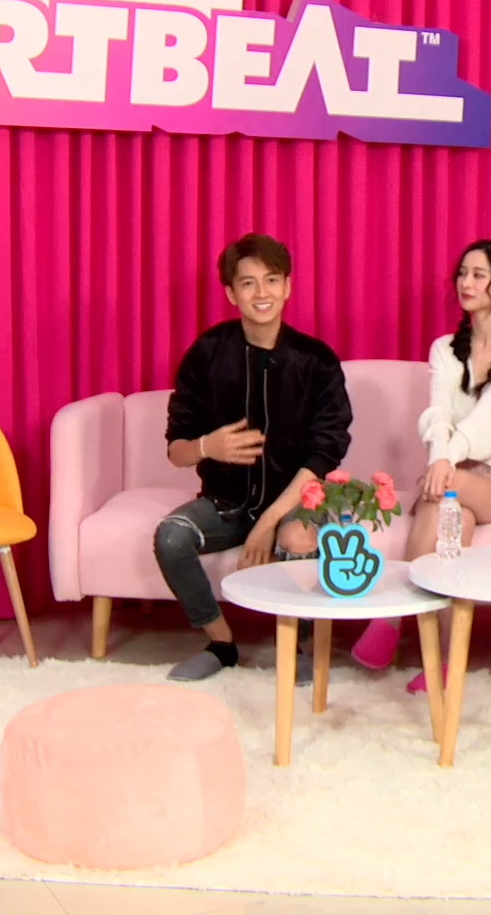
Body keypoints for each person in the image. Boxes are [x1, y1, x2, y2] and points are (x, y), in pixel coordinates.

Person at [347, 240, 491, 688]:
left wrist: (445, 460)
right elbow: (437, 412)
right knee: (448, 517)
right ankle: (444, 661)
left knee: (442, 490)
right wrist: (441, 459)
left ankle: (391, 617)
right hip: (450, 478)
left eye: (478, 275)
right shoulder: (444, 348)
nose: (465, 283)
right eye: (462, 273)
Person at [156, 233, 353, 682]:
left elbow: (324, 455)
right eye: (248, 283)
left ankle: (297, 644)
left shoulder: (317, 361)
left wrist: (269, 522)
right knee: (171, 537)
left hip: (294, 501)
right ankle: (220, 644)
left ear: (287, 286)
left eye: (272, 280)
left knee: (299, 536)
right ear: (231, 293)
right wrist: (207, 447)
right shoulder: (207, 353)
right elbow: (176, 449)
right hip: (227, 504)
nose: (261, 293)